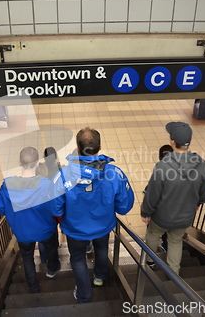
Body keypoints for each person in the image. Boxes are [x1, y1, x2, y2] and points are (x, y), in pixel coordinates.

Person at [51, 127, 134, 303]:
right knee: (102, 249)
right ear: (100, 146)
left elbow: (55, 208)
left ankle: (84, 294)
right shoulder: (114, 173)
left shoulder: (64, 175)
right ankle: (99, 277)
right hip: (103, 226)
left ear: (78, 148)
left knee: (78, 259)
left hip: (75, 230)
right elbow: (124, 207)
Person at [141, 122, 205, 275]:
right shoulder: (201, 164)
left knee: (152, 234)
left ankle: (150, 261)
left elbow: (152, 195)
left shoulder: (163, 166)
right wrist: (198, 203)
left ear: (172, 142)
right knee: (175, 241)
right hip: (184, 218)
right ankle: (173, 273)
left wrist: (146, 212)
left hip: (161, 217)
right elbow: (204, 193)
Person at [0, 147, 61, 293]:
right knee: (51, 248)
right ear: (38, 163)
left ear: (20, 163)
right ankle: (52, 269)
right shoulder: (47, 185)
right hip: (46, 229)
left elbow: (1, 209)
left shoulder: (7, 186)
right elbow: (55, 209)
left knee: (27, 257)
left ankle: (33, 286)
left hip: (22, 232)